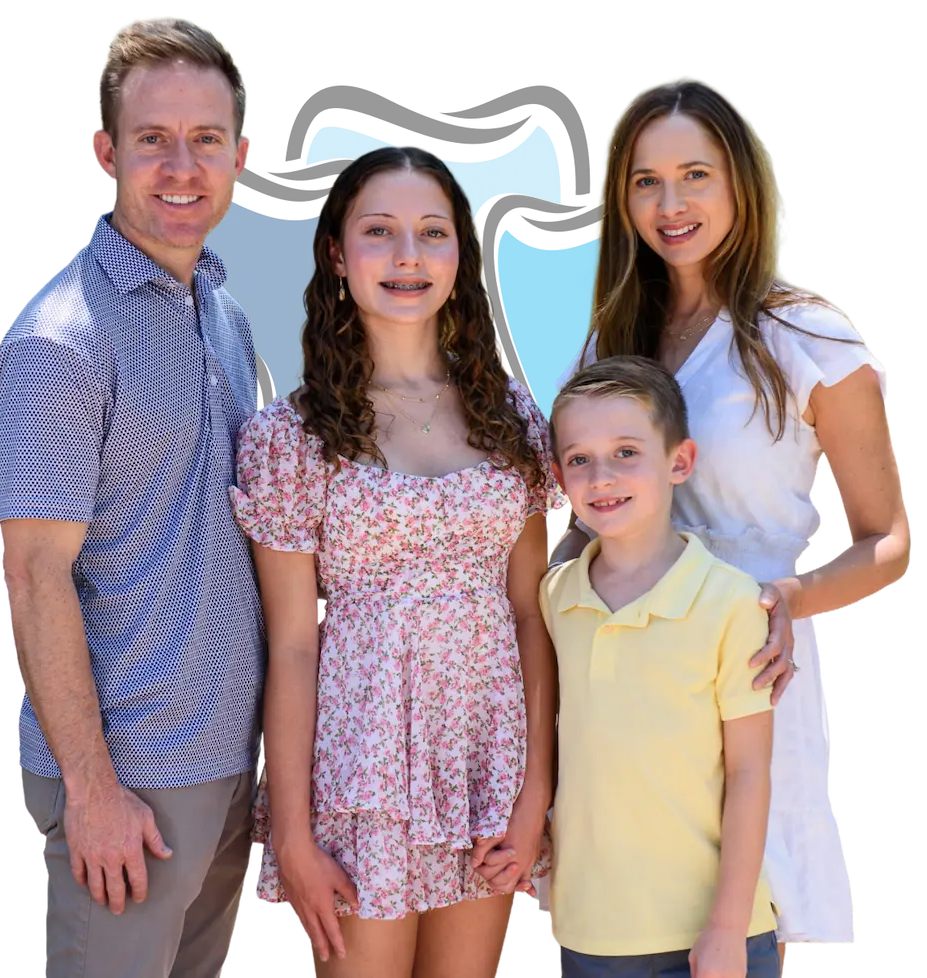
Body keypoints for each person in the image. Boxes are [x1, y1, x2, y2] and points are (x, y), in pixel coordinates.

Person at [547, 75, 911, 971]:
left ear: (741, 183)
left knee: (742, 926)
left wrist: (791, 598)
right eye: (644, 181)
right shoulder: (611, 340)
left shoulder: (809, 336)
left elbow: (889, 539)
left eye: (695, 175)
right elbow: (581, 522)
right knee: (628, 918)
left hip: (752, 659)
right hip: (627, 675)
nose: (670, 204)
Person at [228, 144, 564, 978]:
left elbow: (530, 613)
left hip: (484, 767)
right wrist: (295, 836)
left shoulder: (511, 416)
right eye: (380, 232)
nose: (408, 256)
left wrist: (533, 798)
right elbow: (295, 646)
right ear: (338, 254)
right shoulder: (291, 437)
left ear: (461, 256)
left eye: (432, 233)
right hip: (361, 777)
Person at [0, 16, 262, 978]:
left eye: (205, 139)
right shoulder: (60, 341)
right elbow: (32, 574)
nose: (180, 165)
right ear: (105, 152)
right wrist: (92, 788)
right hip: (132, 786)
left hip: (229, 766)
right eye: (152, 139)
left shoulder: (223, 313)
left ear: (241, 155)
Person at [544, 355, 778, 977]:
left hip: (714, 933)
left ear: (679, 461)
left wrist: (728, 926)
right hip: (593, 931)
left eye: (626, 452)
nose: (602, 476)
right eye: (579, 459)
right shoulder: (554, 596)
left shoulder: (731, 602)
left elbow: (751, 772)